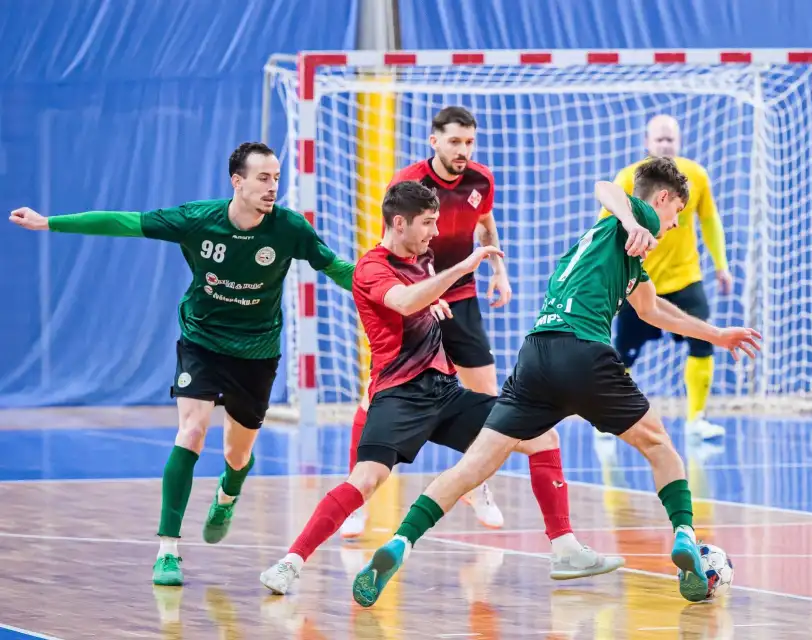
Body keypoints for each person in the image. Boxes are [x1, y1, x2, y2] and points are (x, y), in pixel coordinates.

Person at [353, 158, 761, 607]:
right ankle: (685, 536)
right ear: (659, 199)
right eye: (676, 212)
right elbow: (606, 187)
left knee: (472, 468)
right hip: (582, 351)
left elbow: (652, 310)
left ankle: (400, 542)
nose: (675, 224)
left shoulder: (600, 250)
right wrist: (631, 217)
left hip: (535, 355)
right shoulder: (634, 219)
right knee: (660, 446)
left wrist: (717, 334)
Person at [8, 142, 355, 587]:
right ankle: (167, 551)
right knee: (191, 432)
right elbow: (125, 223)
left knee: (238, 453)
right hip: (203, 340)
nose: (273, 187)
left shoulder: (289, 228)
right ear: (238, 181)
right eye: (263, 178)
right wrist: (49, 223)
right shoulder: (198, 219)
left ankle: (227, 495)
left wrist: (390, 292)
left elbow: (338, 268)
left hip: (257, 349)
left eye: (276, 178)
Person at [259, 180, 623, 596]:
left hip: (446, 394)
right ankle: (290, 562)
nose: (434, 232)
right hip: (399, 395)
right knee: (365, 481)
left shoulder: (424, 258)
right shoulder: (371, 267)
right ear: (399, 223)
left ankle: (564, 548)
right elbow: (402, 302)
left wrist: (435, 301)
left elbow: (418, 299)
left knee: (542, 437)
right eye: (427, 223)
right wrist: (462, 270)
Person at [341, 105, 517, 537]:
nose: (463, 150)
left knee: (489, 397)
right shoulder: (408, 183)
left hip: (463, 297)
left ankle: (477, 485)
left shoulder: (481, 179)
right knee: (374, 398)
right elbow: (395, 247)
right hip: (419, 296)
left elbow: (486, 226)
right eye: (455, 141)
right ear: (433, 140)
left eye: (470, 142)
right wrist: (420, 292)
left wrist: (499, 272)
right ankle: (355, 500)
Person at [600, 115, 733, 441]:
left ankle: (696, 420)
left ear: (679, 142)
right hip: (639, 280)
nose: (664, 145)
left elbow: (710, 221)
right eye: (659, 139)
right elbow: (605, 223)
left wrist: (722, 265)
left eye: (670, 139)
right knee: (623, 351)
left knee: (703, 340)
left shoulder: (696, 175)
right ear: (647, 142)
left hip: (685, 277)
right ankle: (611, 419)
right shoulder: (630, 177)